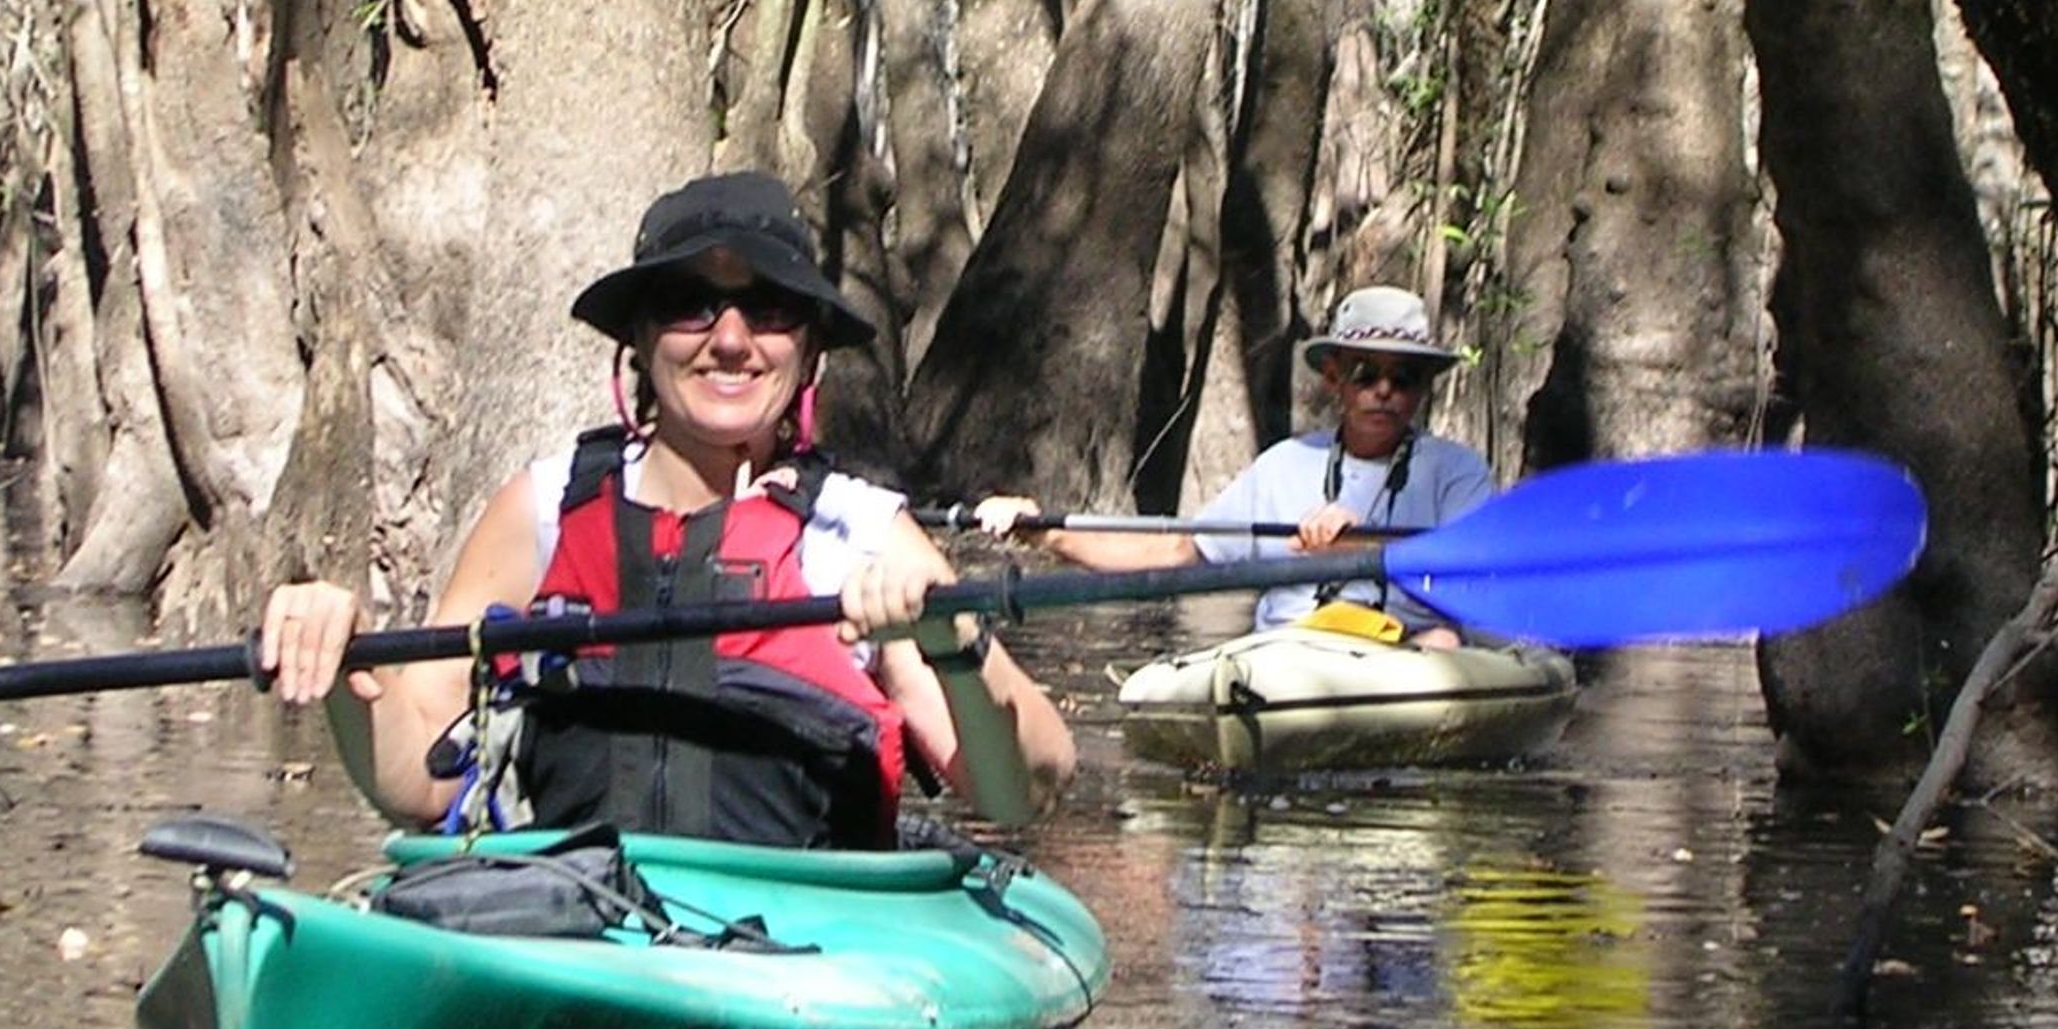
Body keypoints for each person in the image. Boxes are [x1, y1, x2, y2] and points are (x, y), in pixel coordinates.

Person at [258, 172, 1074, 841]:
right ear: (642, 343)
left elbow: (1025, 795)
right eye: (690, 303)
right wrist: (346, 676)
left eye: (769, 308)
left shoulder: (860, 535)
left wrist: (952, 643)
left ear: (810, 349)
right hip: (572, 926)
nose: (729, 339)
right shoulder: (542, 512)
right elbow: (420, 788)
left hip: (805, 953)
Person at [975, 285, 1494, 644]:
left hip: (1410, 651)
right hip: (1291, 653)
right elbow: (1179, 551)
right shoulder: (1283, 466)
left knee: (1444, 641)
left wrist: (1364, 543)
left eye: (1404, 377)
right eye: (1365, 373)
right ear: (1334, 378)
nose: (1384, 390)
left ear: (1425, 387)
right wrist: (1046, 533)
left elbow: (1473, 573)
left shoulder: (1458, 473)